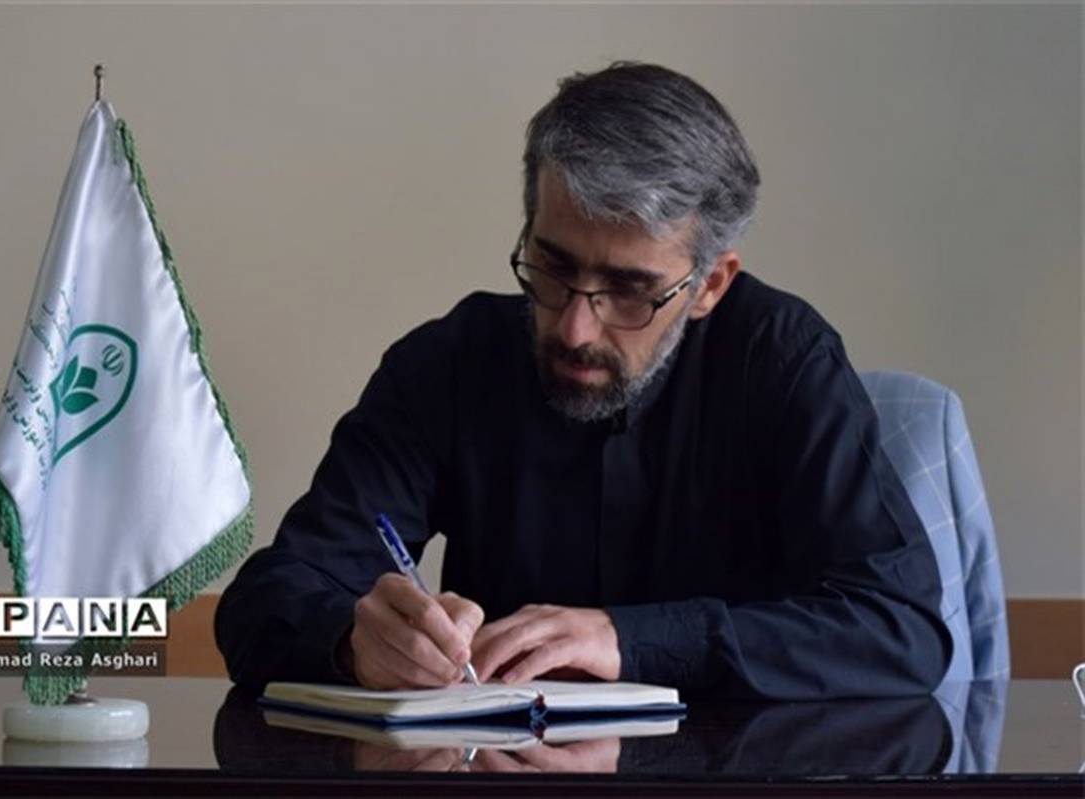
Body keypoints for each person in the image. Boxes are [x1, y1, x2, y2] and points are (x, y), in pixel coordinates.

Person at [215, 62, 951, 699]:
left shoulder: (783, 360)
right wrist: (354, 642)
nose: (575, 328)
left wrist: (632, 640)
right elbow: (264, 601)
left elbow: (900, 628)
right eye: (553, 266)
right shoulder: (448, 365)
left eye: (630, 290)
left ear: (710, 285)